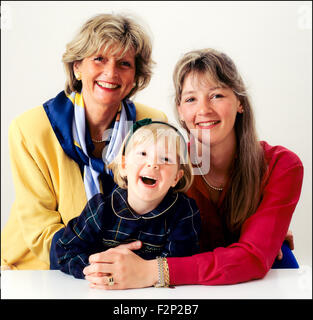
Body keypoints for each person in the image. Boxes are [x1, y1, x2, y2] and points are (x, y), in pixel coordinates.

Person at [82, 48, 303, 289]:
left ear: (240, 102)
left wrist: (155, 270)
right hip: (188, 292)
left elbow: (253, 258)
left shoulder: (282, 165)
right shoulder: (164, 169)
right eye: (190, 99)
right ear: (180, 111)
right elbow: (119, 226)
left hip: (260, 287)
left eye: (217, 95)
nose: (204, 110)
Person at [1, 13, 167, 270]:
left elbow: (161, 213)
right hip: (37, 271)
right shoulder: (30, 130)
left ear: (135, 76)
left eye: (124, 63)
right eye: (99, 59)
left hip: (122, 272)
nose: (111, 73)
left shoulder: (153, 124)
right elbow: (39, 231)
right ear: (77, 66)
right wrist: (101, 259)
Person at [53, 119, 200, 280]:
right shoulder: (101, 208)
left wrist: (140, 272)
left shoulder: (183, 211)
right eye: (143, 154)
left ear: (176, 178)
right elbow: (67, 251)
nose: (153, 164)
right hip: (104, 288)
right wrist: (99, 268)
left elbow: (179, 264)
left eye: (166, 159)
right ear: (123, 166)